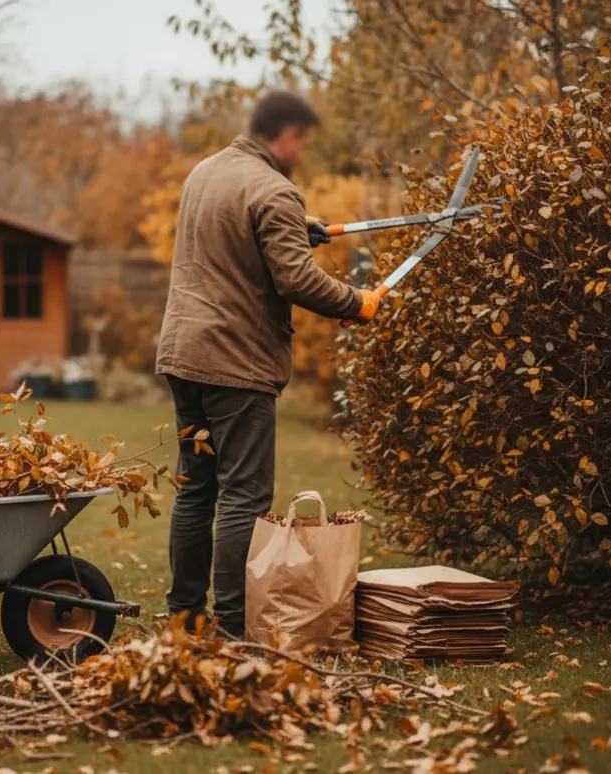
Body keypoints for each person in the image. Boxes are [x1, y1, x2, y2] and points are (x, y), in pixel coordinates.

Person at [155, 90, 381, 638]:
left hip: (184, 355)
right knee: (242, 496)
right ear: (287, 135)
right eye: (303, 143)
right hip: (236, 362)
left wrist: (297, 229)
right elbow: (295, 279)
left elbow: (232, 240)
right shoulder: (276, 190)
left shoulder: (205, 172)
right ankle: (234, 628)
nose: (302, 154)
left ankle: (186, 618)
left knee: (197, 487)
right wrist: (358, 303)